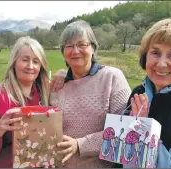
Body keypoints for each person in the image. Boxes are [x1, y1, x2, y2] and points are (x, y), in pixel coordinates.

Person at [50, 20, 132, 168]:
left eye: (82, 44)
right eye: (69, 46)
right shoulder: (58, 85)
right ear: (63, 51)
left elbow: (124, 131)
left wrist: (80, 145)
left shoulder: (112, 78)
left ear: (93, 48)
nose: (75, 51)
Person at [126, 18, 171, 168]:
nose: (162, 63)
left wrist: (143, 128)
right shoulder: (138, 92)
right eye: (155, 53)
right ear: (145, 57)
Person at [0, 36, 50, 168]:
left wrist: (62, 74)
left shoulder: (44, 93)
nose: (30, 66)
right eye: (25, 60)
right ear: (14, 62)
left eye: (36, 61)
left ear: (41, 66)